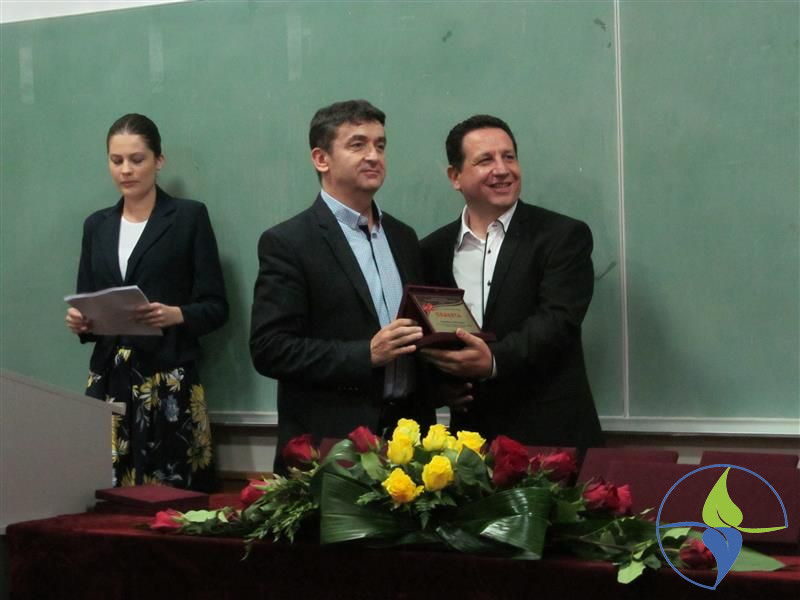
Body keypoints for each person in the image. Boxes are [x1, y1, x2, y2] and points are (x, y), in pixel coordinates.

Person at [250, 99, 435, 473]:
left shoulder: (403, 236)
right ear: (321, 159)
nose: (373, 156)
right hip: (330, 448)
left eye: (380, 145)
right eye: (358, 144)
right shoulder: (289, 242)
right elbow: (270, 349)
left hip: (409, 446)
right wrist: (365, 354)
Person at [65, 113, 228, 491]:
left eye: (137, 159)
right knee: (105, 495)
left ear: (159, 160)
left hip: (168, 378)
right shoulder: (97, 225)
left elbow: (217, 306)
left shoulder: (188, 217)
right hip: (110, 376)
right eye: (116, 160)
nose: (126, 170)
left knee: (173, 496)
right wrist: (81, 321)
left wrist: (176, 314)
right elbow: (87, 298)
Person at [421, 114, 602, 451]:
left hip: (550, 439)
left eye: (509, 157)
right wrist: (440, 387)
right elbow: (430, 335)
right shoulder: (432, 250)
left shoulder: (562, 236)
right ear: (455, 176)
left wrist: (492, 360)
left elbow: (558, 321)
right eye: (485, 160)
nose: (502, 169)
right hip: (469, 444)